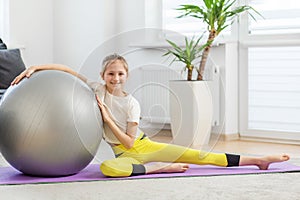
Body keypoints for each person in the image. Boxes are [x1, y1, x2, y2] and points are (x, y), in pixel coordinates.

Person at [12, 53, 290, 177]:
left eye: (120, 74)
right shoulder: (96, 89)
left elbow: (132, 143)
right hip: (123, 158)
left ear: (126, 76)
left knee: (202, 156)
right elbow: (67, 70)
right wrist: (34, 68)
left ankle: (259, 160)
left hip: (142, 145)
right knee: (106, 169)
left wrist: (107, 118)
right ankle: (160, 169)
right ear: (103, 76)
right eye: (111, 73)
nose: (115, 78)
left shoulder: (131, 104)